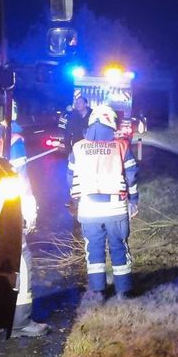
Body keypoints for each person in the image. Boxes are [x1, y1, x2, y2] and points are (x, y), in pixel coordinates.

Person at [67, 104, 139, 302]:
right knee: (119, 247)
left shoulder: (78, 147)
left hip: (89, 208)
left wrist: (74, 200)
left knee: (94, 249)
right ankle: (123, 291)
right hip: (115, 208)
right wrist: (133, 201)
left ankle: (98, 291)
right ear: (111, 122)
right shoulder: (121, 146)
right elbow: (132, 176)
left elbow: (70, 178)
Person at [9, 120, 50, 337]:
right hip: (8, 214)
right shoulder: (15, 142)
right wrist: (29, 211)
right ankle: (20, 322)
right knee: (22, 261)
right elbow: (21, 180)